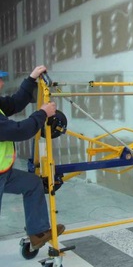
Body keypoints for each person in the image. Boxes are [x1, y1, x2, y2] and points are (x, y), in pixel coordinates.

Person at [0, 66, 63, 252]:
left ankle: (38, 233)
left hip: (4, 173)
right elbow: (19, 130)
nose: (2, 82)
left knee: (33, 184)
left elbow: (14, 104)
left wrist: (31, 78)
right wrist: (43, 113)